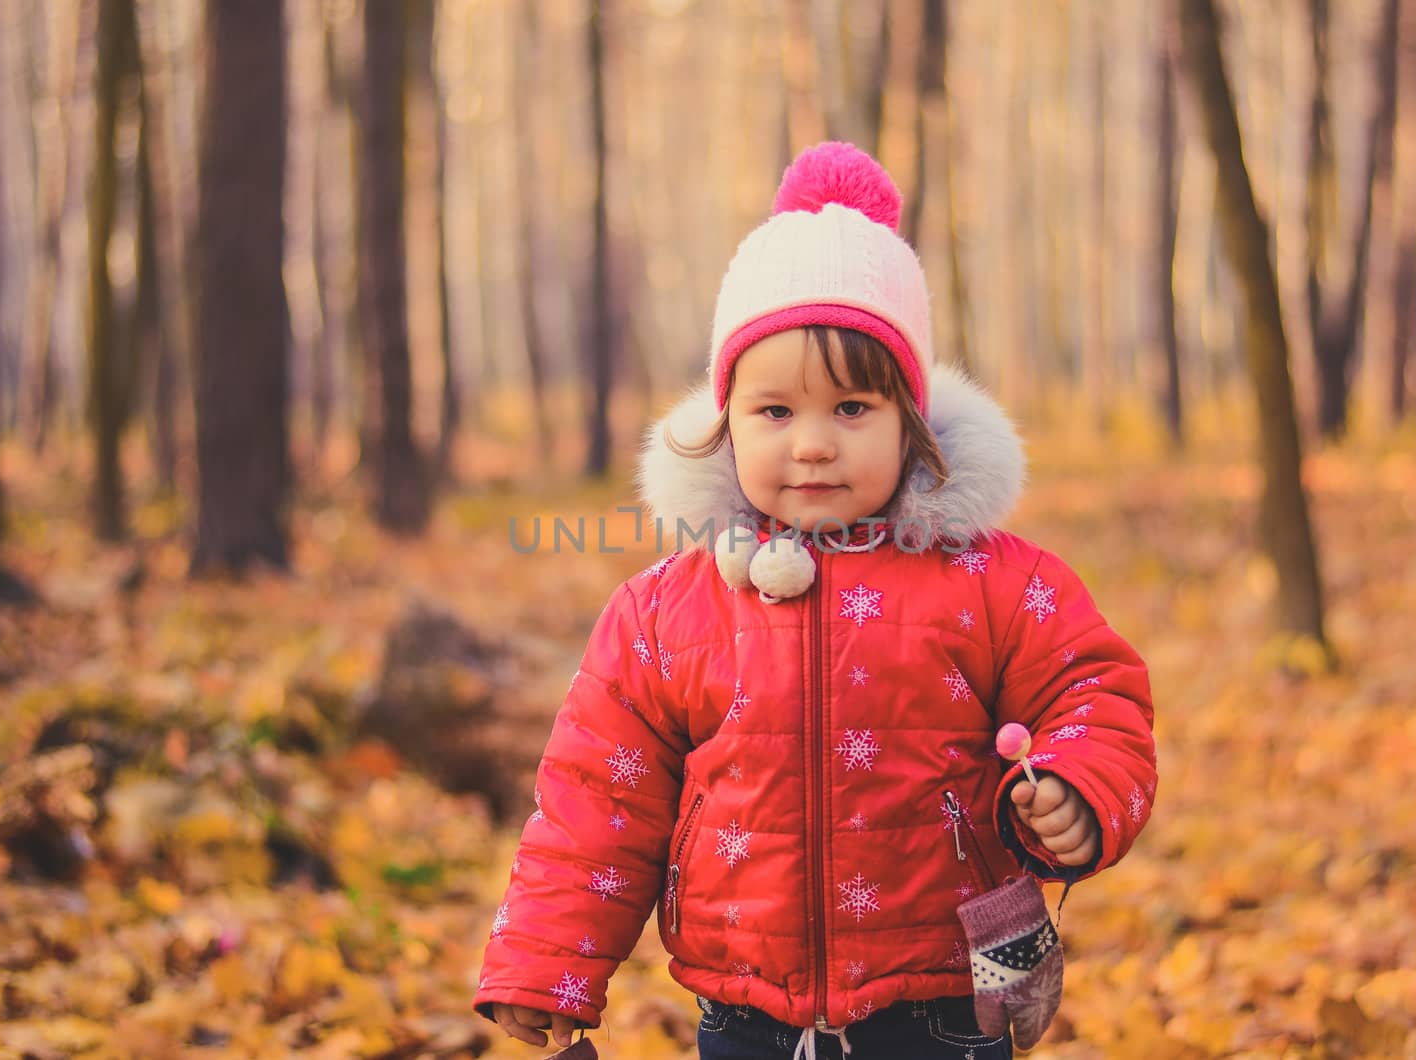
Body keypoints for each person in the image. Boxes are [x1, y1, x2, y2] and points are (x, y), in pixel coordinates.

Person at [475, 142, 1157, 1059]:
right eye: (774, 413)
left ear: (909, 419)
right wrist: (548, 962)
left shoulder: (991, 581)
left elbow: (1094, 692)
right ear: (724, 421)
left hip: (946, 1004)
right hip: (746, 1012)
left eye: (851, 410)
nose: (812, 446)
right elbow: (597, 801)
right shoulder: (666, 614)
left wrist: (1079, 785)